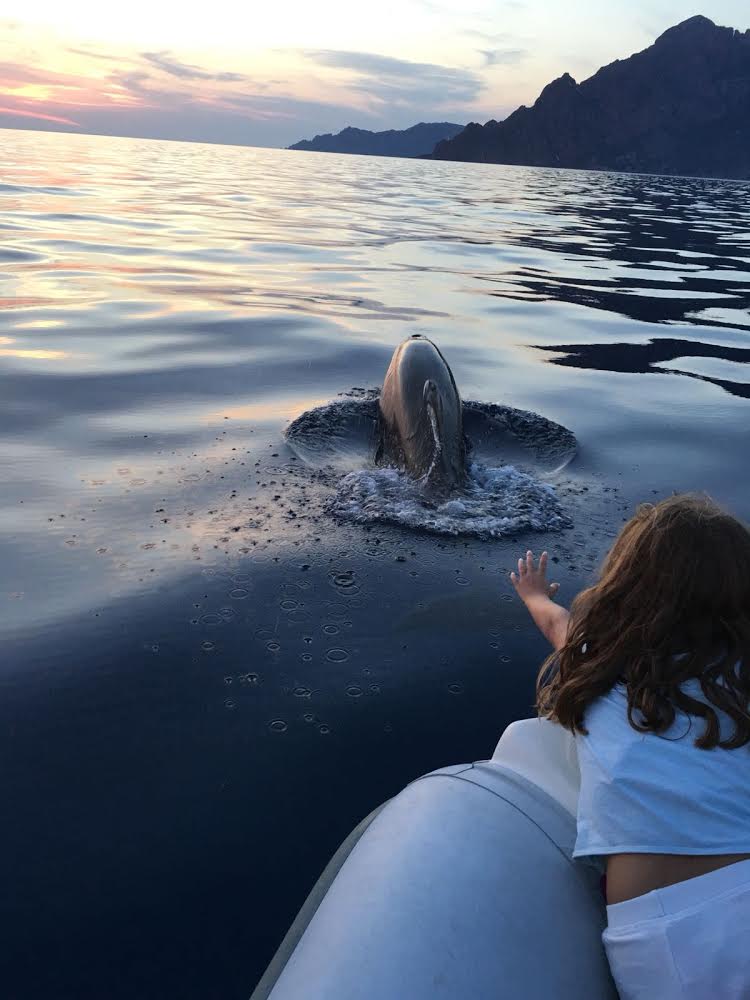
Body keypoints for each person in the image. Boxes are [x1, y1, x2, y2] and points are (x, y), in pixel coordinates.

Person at [510, 494, 750, 1000]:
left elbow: (557, 624)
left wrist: (532, 594)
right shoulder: (740, 679)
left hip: (670, 939)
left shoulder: (599, 661)